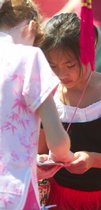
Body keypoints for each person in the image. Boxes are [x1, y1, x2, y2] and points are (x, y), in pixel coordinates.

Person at [38, 13, 101, 210]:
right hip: (59, 201)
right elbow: (40, 151)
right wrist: (42, 161)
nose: (61, 74)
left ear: (89, 52)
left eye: (70, 65)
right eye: (53, 66)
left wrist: (93, 159)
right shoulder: (48, 94)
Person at [0, 1, 74, 210]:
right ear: (32, 27)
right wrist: (64, 157)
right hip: (14, 189)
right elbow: (58, 143)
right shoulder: (28, 57)